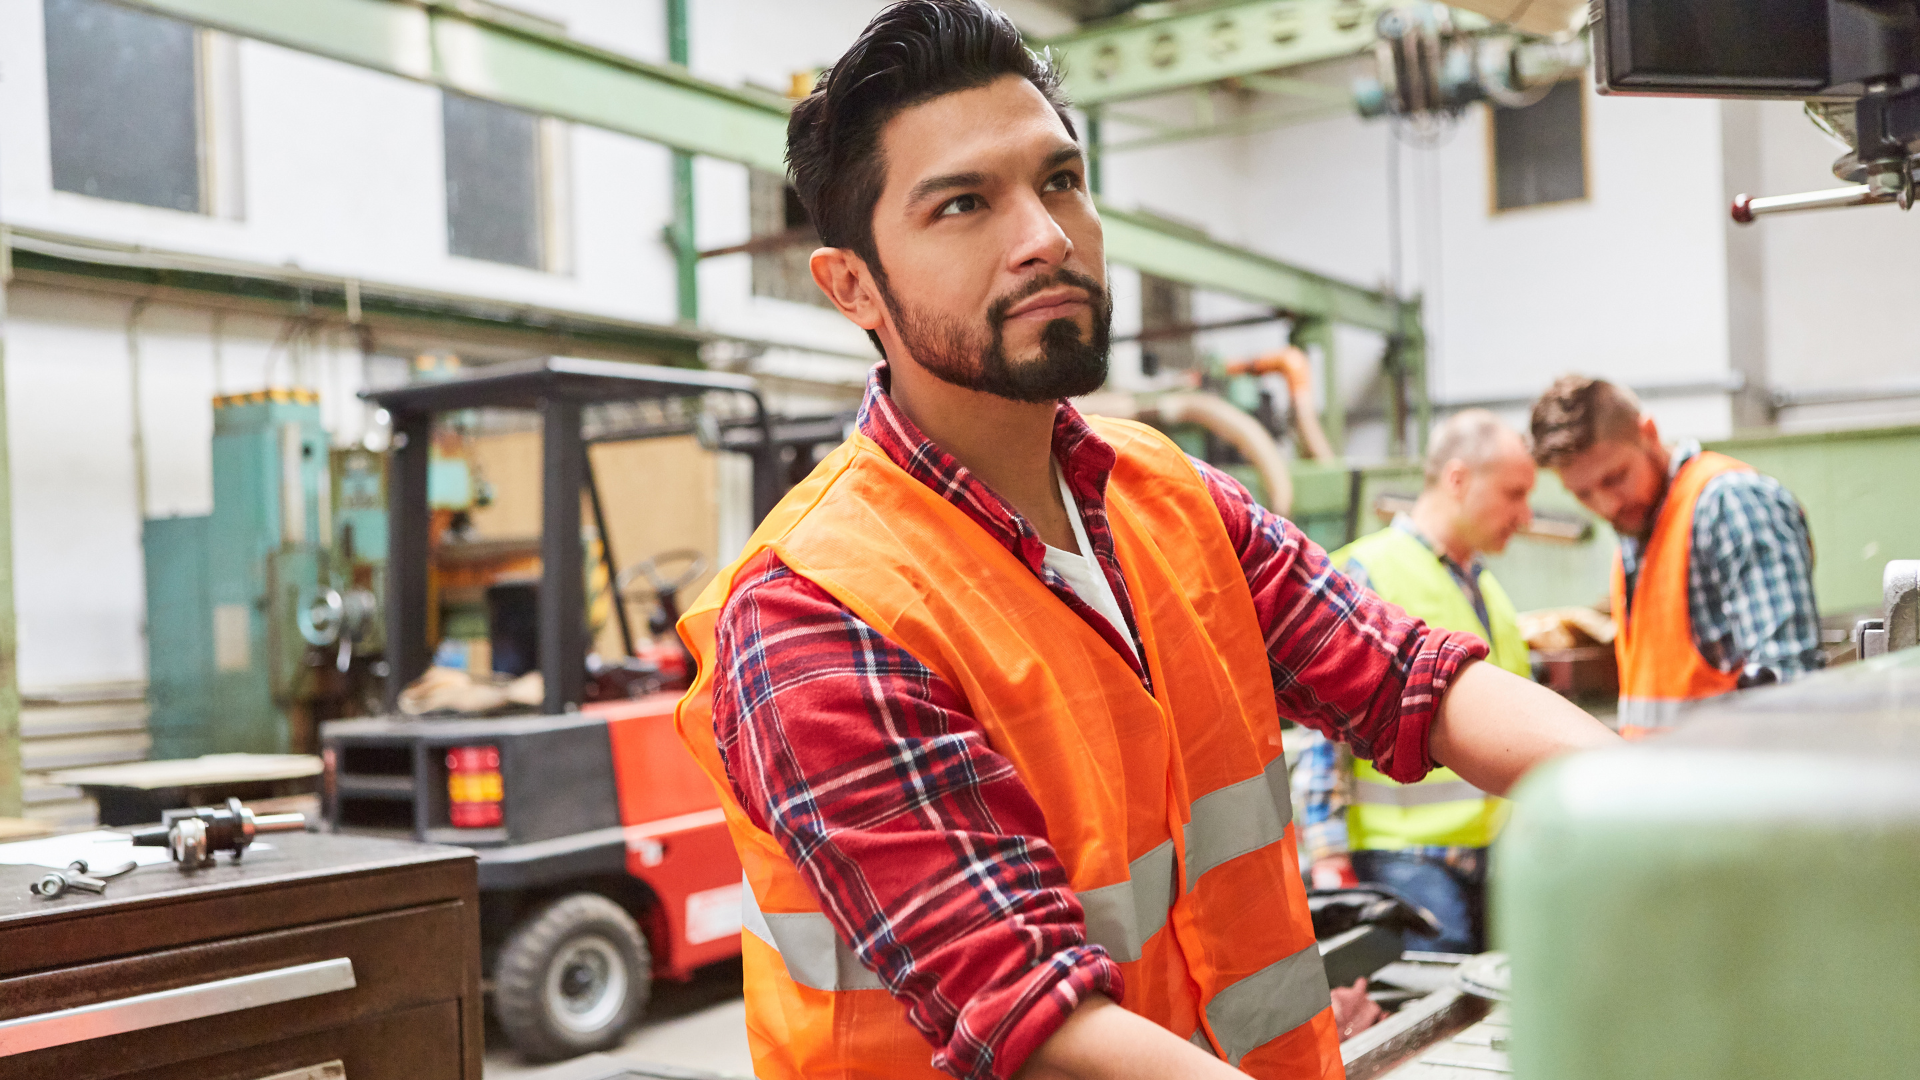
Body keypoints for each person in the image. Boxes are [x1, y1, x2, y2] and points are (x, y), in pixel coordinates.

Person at [674, 5, 1619, 1078]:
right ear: (853, 288)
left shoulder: (1168, 495)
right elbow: (1028, 1013)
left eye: (1060, 180)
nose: (1044, 235)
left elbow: (1407, 681)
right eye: (964, 205)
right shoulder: (814, 610)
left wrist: (1666, 806)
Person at [1298, 410, 1536, 956]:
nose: (1524, 515)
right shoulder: (1366, 573)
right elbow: (1322, 732)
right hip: (1406, 866)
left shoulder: (1488, 592)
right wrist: (1330, 861)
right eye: (1514, 493)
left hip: (1488, 861)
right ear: (1458, 480)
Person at [1529, 376, 1823, 738]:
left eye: (1616, 477)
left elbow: (1789, 688)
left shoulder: (1731, 503)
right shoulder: (1637, 535)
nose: (1607, 505)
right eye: (1583, 494)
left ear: (1648, 433)